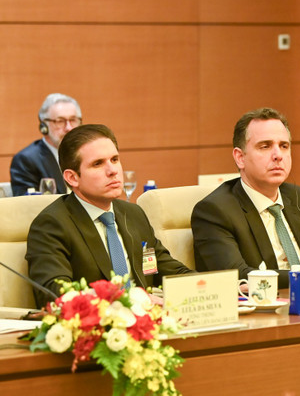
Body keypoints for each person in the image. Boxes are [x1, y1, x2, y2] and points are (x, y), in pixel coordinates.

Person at [191, 108, 300, 289]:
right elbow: (238, 277)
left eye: (284, 146)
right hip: (261, 312)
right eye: (265, 146)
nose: (278, 156)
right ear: (240, 158)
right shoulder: (215, 211)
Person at [25, 124, 192, 307]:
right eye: (98, 164)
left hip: (147, 325)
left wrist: (212, 288)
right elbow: (55, 294)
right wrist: (130, 301)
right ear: (73, 178)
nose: (112, 170)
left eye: (114, 159)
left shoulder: (132, 214)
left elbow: (167, 270)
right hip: (97, 330)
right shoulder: (52, 224)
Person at [10, 93, 83, 196]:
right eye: (60, 121)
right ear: (44, 126)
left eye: (73, 120)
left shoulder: (87, 154)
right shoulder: (26, 160)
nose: (69, 128)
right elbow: (27, 206)